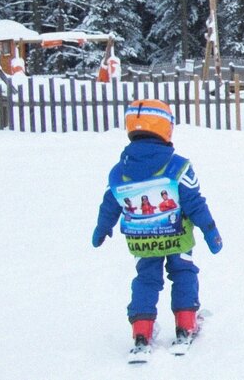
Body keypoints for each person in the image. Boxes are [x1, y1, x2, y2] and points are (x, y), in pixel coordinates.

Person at [93, 99, 222, 357]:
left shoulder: (119, 172)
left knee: (146, 279)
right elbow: (194, 203)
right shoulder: (177, 167)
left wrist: (102, 227)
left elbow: (110, 202)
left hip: (142, 240)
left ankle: (142, 329)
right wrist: (210, 230)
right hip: (177, 237)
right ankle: (186, 324)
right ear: (166, 128)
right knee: (183, 273)